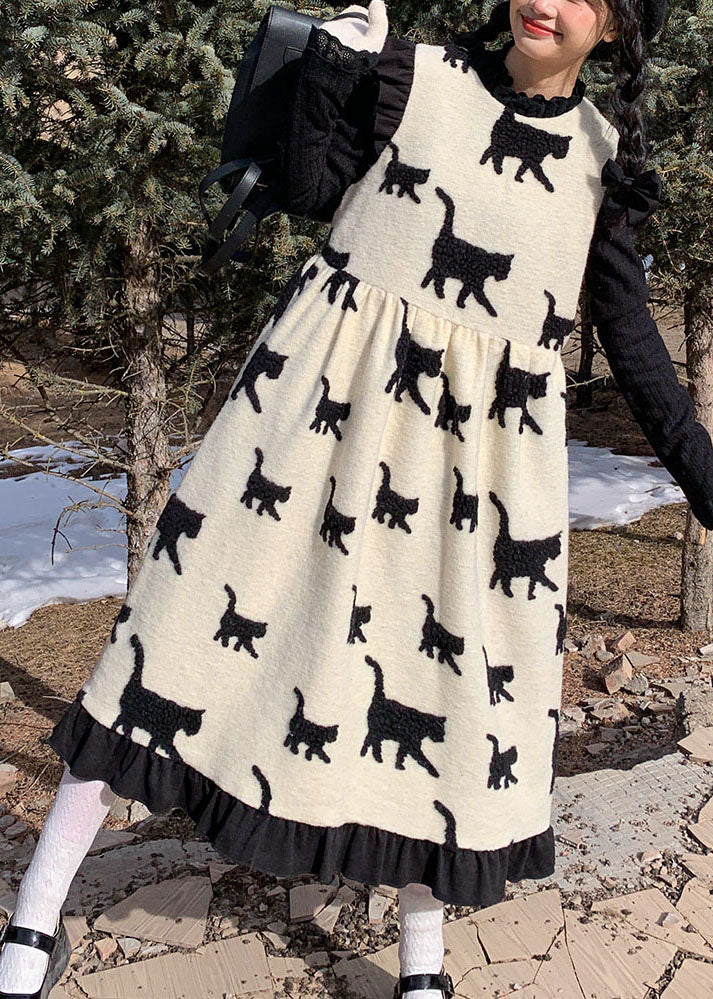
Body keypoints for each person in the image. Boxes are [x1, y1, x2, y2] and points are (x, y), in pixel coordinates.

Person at [2, 1, 710, 997]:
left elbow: (631, 341)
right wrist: (334, 69)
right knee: (174, 637)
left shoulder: (603, 160)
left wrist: (700, 475)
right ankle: (35, 915)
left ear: (617, 27)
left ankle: (422, 967)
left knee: (440, 697)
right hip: (308, 421)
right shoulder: (414, 77)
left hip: (472, 478)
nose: (543, 0)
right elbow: (309, 190)